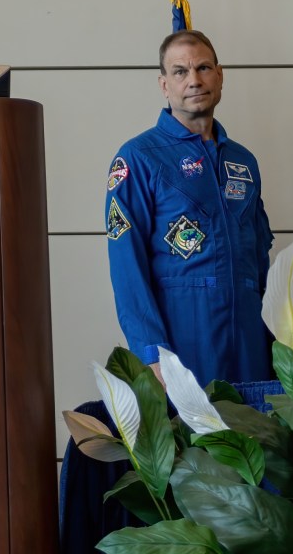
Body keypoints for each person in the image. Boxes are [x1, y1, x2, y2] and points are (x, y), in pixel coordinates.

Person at [105, 29, 274, 384]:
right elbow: (127, 266)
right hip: (183, 345)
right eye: (180, 71)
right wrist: (151, 351)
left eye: (203, 68)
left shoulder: (243, 161)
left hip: (250, 341)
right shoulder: (138, 158)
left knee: (256, 437)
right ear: (164, 85)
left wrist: (276, 341)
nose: (194, 80)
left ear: (220, 75)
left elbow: (260, 260)